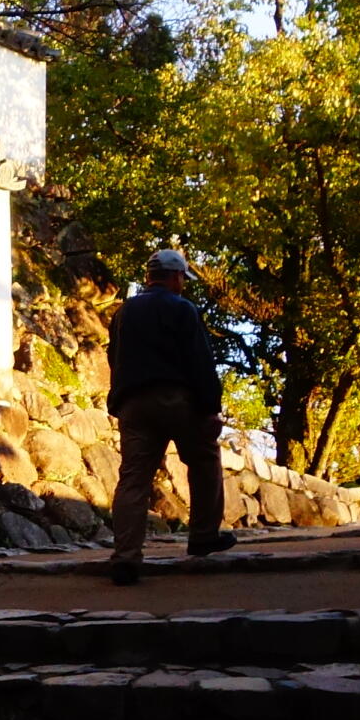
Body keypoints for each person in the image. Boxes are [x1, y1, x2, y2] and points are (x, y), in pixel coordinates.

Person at [106, 247, 233, 584]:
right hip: (177, 399)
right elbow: (200, 360)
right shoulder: (182, 308)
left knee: (133, 479)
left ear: (149, 277)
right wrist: (210, 408)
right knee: (203, 458)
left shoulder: (123, 312)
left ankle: (126, 557)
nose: (183, 284)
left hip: (133, 402)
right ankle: (203, 535)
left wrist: (118, 401)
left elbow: (114, 357)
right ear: (176, 276)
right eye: (182, 278)